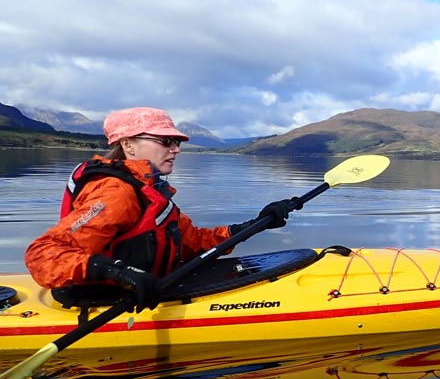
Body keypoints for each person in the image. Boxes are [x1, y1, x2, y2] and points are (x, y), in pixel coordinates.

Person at [24, 107, 295, 313]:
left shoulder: (148, 189)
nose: (176, 149)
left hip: (144, 287)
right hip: (103, 301)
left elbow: (193, 241)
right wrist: (120, 272)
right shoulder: (115, 192)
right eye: (165, 142)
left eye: (177, 143)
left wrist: (254, 225)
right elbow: (43, 255)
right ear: (128, 145)